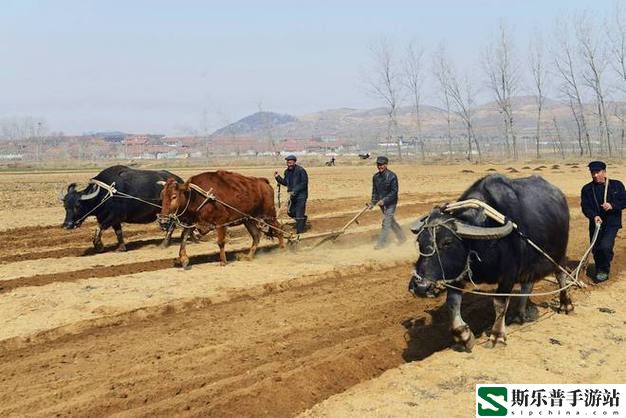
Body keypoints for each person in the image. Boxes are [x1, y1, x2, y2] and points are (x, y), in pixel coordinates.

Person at [581, 160, 626, 283]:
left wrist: (612, 205)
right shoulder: (587, 189)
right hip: (595, 224)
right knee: (596, 248)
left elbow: (624, 201)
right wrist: (594, 216)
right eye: (592, 172)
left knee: (605, 246)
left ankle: (603, 271)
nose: (595, 175)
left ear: (604, 172)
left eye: (597, 172)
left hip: (612, 223)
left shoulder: (617, 185)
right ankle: (600, 265)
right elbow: (585, 207)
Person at [368, 155, 406, 249]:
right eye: (378, 164)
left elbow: (394, 192)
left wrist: (384, 200)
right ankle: (402, 237)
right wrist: (372, 202)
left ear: (386, 165)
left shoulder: (392, 176)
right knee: (391, 221)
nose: (380, 166)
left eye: (382, 164)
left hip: (391, 202)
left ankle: (381, 244)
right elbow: (375, 191)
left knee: (386, 222)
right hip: (381, 203)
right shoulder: (375, 177)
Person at [275, 155, 309, 233]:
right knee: (290, 212)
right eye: (287, 162)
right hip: (292, 196)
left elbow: (304, 183)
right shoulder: (286, 172)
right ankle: (302, 219)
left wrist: (295, 190)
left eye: (290, 162)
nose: (288, 164)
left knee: (299, 214)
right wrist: (278, 178)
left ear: (294, 162)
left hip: (301, 196)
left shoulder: (301, 170)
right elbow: (286, 183)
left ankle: (300, 233)